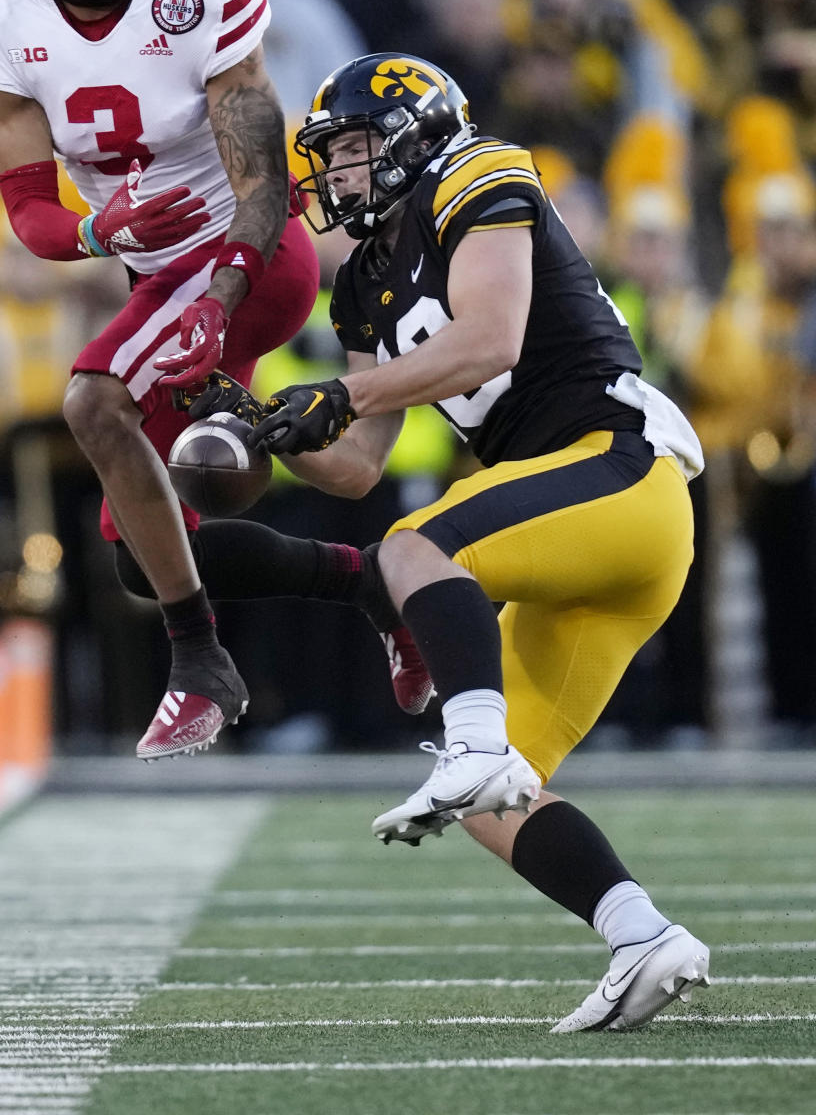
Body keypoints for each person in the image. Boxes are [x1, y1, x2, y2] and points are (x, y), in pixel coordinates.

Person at [191, 52, 711, 1031]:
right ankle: (641, 934)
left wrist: (339, 395)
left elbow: (492, 339)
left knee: (414, 549)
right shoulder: (366, 286)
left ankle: (471, 741)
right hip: (585, 537)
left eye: (350, 149)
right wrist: (269, 422)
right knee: (494, 800)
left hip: (617, 466)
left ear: (411, 132)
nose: (337, 175)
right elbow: (355, 464)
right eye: (329, 157)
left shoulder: (477, 172)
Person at [0, 0, 319, 761]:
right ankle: (376, 588)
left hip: (252, 254)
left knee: (93, 405)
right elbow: (31, 214)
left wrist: (225, 291)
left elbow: (264, 179)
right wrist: (96, 227)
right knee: (134, 556)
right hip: (156, 283)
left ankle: (199, 666)